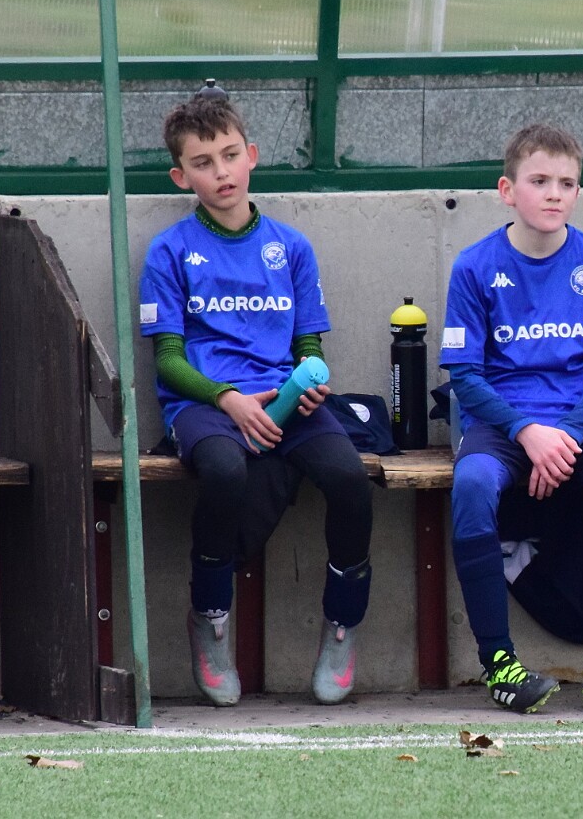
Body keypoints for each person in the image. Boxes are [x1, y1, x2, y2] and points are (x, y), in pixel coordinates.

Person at [138, 84, 374, 708]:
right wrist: (227, 399)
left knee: (350, 479)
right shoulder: (169, 251)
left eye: (229, 155)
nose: (220, 172)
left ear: (252, 156)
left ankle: (342, 626)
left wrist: (309, 384)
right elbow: (168, 360)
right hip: (205, 407)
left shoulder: (291, 247)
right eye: (202, 162)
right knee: (223, 471)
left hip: (285, 404)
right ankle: (210, 619)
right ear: (181, 176)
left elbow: (309, 345)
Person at [439, 123, 583, 713]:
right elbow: (466, 377)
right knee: (472, 484)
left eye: (567, 183)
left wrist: (563, 434)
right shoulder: (474, 266)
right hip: (502, 426)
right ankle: (499, 665)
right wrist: (527, 432)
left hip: (581, 425)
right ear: (507, 190)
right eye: (539, 181)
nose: (554, 193)